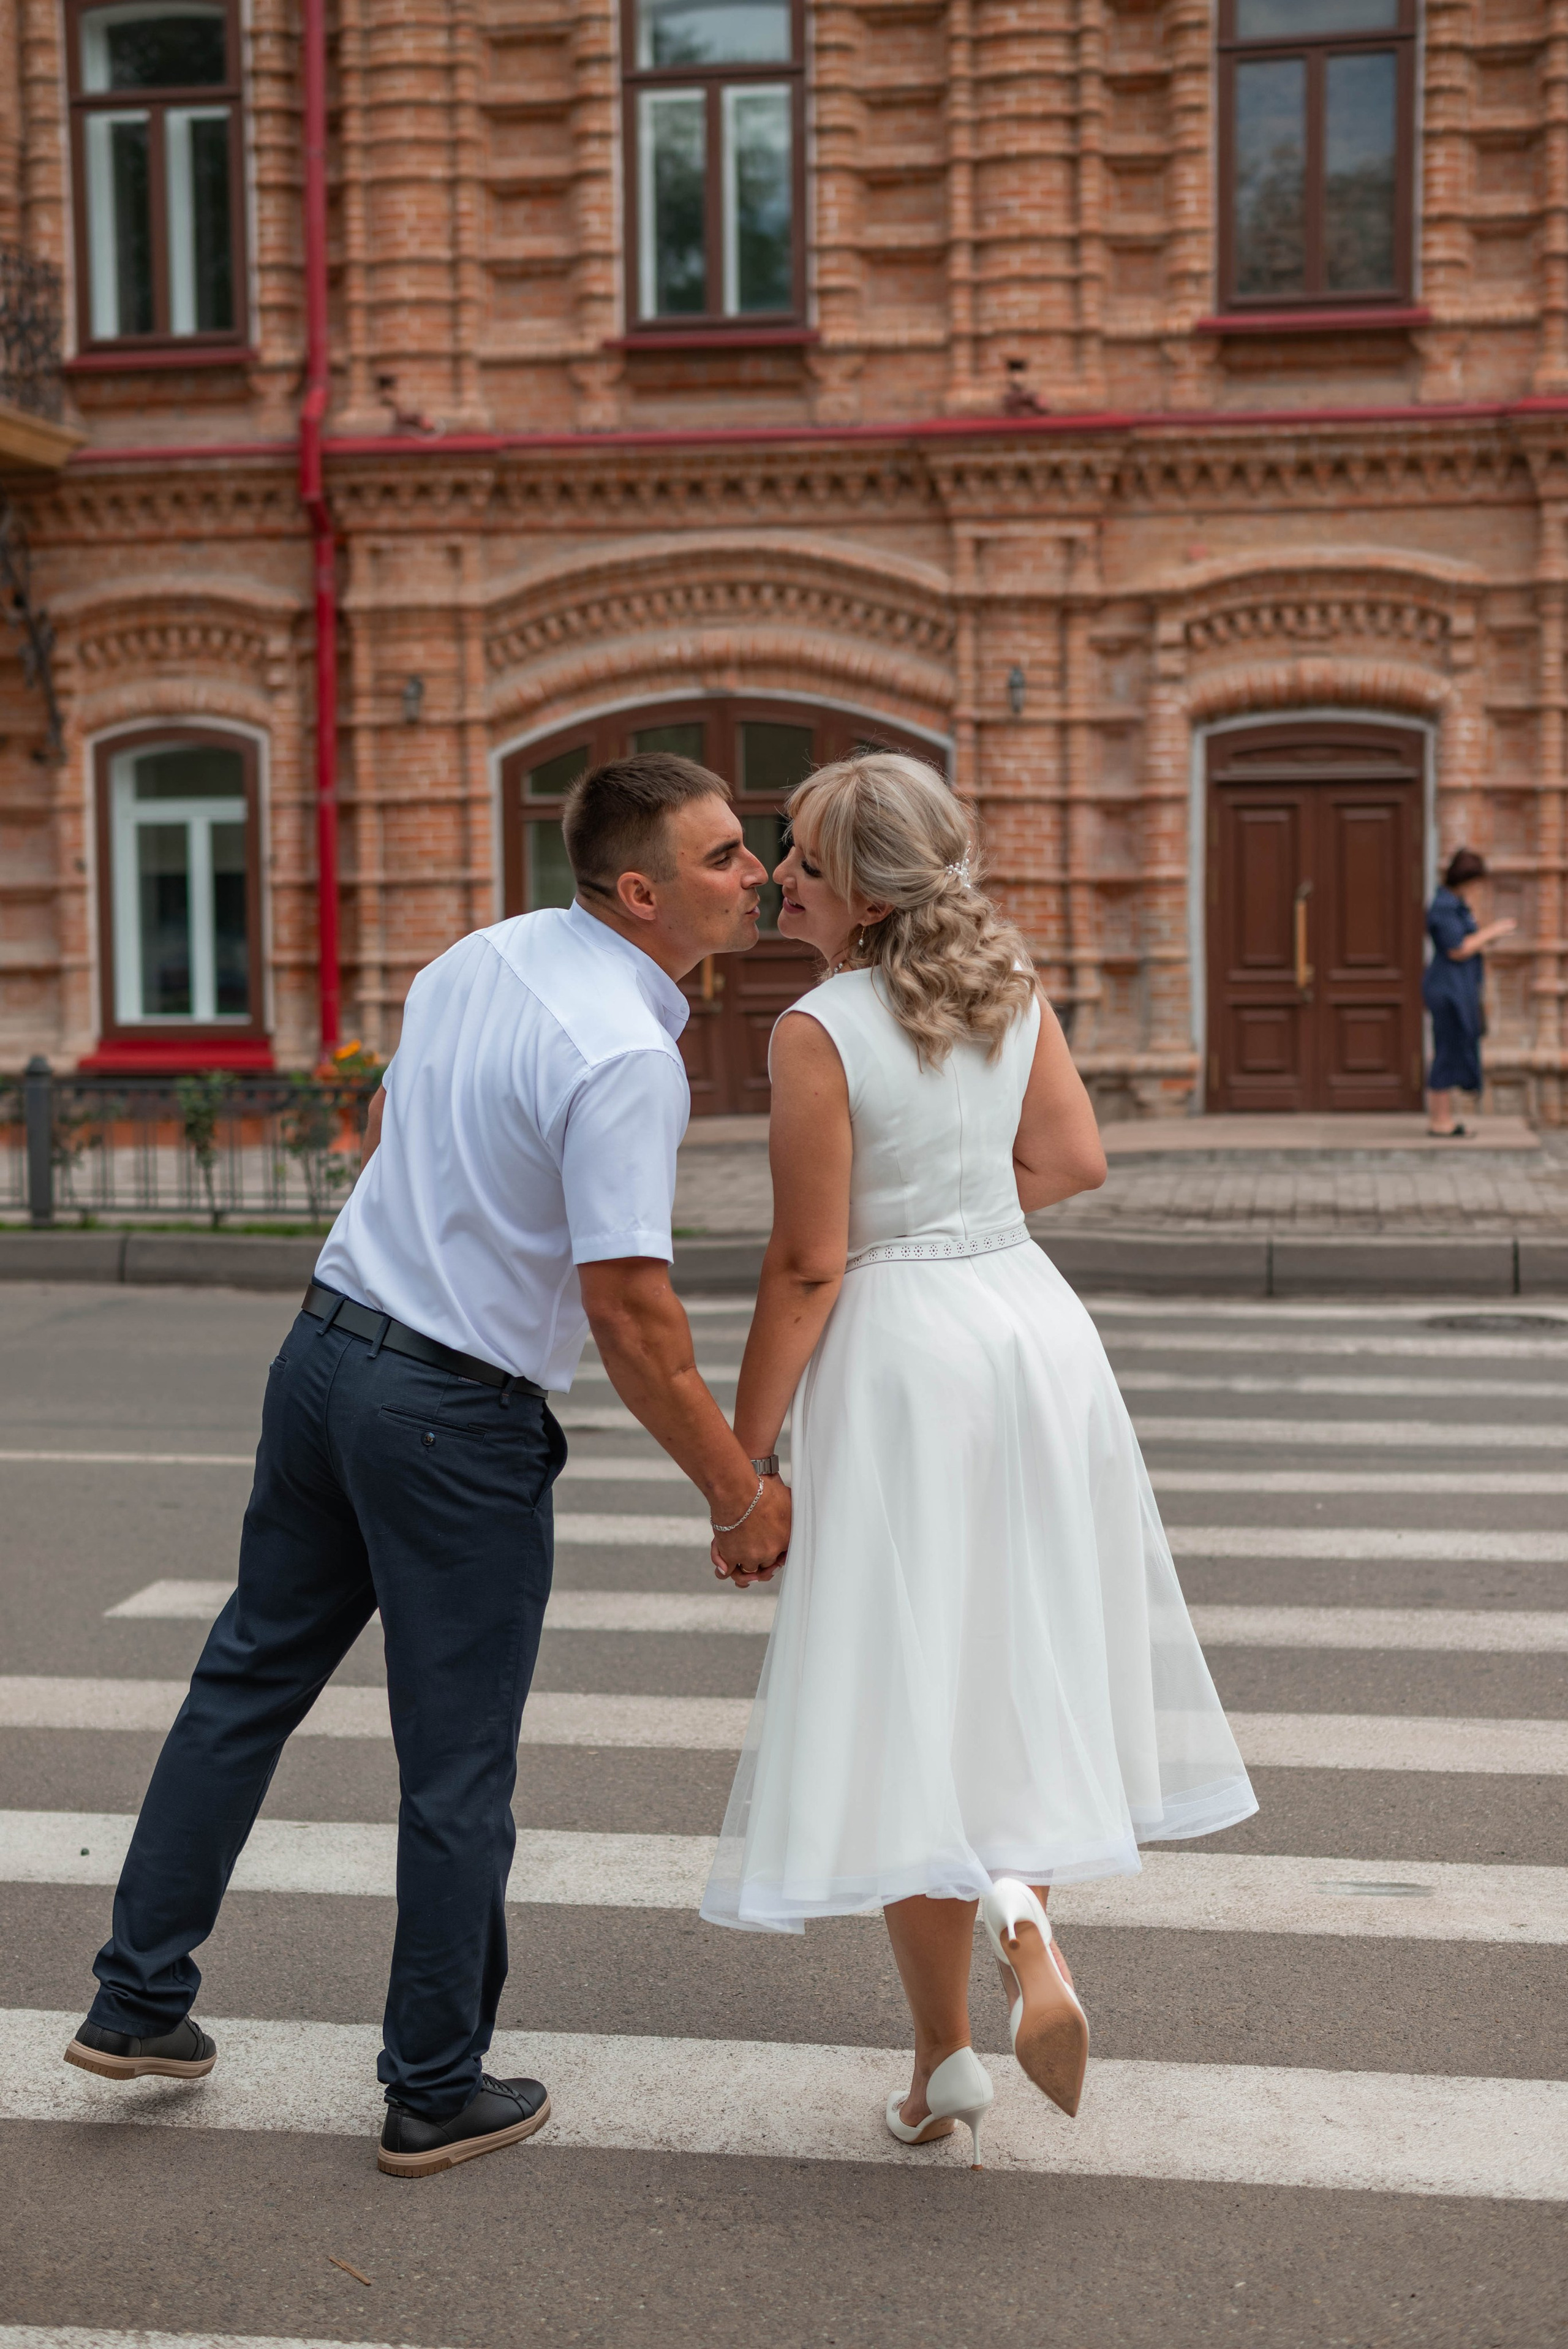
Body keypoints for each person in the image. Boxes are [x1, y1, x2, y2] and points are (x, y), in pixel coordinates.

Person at [65, 751, 791, 2177]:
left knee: (243, 1681)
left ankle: (137, 1999)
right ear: (639, 890)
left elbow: (391, 1129)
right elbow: (632, 1315)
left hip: (327, 1353)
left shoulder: (481, 956)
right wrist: (738, 1490)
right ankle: (433, 2085)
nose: (753, 870)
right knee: (456, 1768)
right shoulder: (626, 1055)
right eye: (722, 856)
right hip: (450, 1415)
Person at [700, 751, 1256, 2163]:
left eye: (801, 859)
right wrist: (958, 1217)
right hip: (1031, 1334)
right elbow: (1070, 1159)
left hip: (900, 1357)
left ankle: (942, 2054)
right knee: (1020, 1659)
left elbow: (806, 1262)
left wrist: (742, 1461)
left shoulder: (816, 1029)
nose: (779, 876)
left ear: (864, 893)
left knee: (907, 1692)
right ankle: (1024, 1926)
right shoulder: (1006, 985)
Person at [1424, 848, 1515, 1137]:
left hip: (1457, 987)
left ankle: (1444, 1118)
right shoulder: (1444, 906)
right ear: (1466, 879)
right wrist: (1492, 932)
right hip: (1447, 989)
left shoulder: (1456, 904)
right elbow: (1457, 949)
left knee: (1454, 1046)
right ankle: (1440, 1121)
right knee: (1447, 1049)